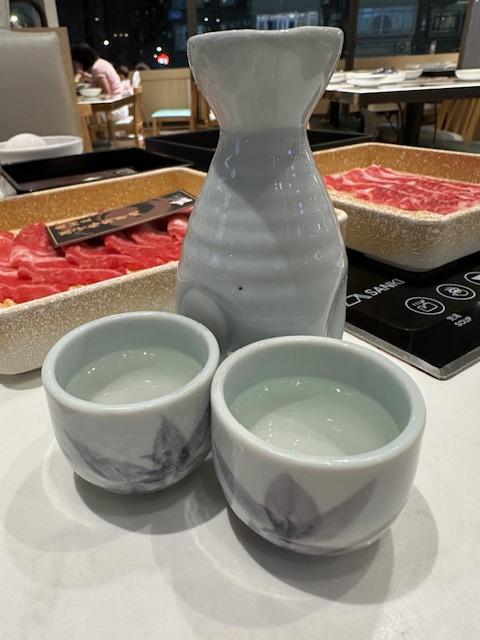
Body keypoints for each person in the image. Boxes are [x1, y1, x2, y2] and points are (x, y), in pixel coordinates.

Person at [71, 44, 128, 121]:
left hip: (114, 110)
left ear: (82, 60)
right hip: (120, 105)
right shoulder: (101, 62)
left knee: (82, 113)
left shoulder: (97, 69)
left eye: (76, 62)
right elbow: (102, 81)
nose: (76, 65)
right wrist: (89, 78)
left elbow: (107, 93)